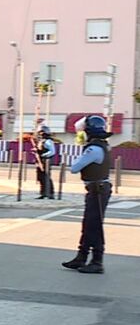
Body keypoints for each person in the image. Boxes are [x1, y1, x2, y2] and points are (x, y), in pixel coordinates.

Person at [62, 115, 113, 274]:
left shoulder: (94, 149)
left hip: (97, 190)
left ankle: (97, 261)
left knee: (95, 226)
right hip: (97, 190)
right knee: (88, 224)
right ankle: (81, 257)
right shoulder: (102, 146)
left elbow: (75, 167)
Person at [34, 125, 56, 199]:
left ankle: (50, 193)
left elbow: (52, 151)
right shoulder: (41, 141)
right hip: (40, 161)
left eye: (41, 132)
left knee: (46, 176)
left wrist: (43, 155)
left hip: (45, 161)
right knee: (40, 177)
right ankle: (43, 193)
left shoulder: (48, 141)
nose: (40, 134)